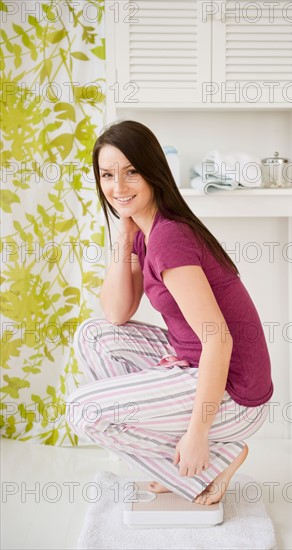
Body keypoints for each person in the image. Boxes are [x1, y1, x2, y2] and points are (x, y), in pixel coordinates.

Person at [66, 120, 274, 505]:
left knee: (85, 411)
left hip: (235, 395)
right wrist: (123, 240)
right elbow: (116, 313)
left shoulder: (169, 239)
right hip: (197, 364)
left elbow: (218, 339)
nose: (118, 186)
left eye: (131, 172)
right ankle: (174, 462)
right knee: (93, 335)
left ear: (153, 172)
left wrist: (197, 432)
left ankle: (214, 454)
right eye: (107, 175)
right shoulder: (147, 232)